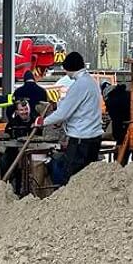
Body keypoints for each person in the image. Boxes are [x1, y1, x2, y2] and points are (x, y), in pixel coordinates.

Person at [43, 52, 104, 185]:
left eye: (65, 69)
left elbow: (62, 113)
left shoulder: (79, 86)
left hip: (81, 140)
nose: (65, 73)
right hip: (94, 138)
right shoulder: (92, 82)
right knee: (87, 180)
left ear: (70, 68)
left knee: (70, 179)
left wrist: (42, 122)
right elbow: (81, 111)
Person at [104, 82, 133, 165]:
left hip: (130, 128)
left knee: (120, 157)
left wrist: (117, 139)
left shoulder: (113, 101)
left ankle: (120, 169)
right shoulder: (128, 95)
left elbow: (116, 121)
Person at [0, 99, 36, 191]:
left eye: (26, 109)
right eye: (21, 110)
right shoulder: (12, 124)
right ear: (16, 111)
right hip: (14, 153)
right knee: (3, 161)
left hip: (32, 152)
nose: (24, 112)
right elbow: (6, 137)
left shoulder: (36, 121)